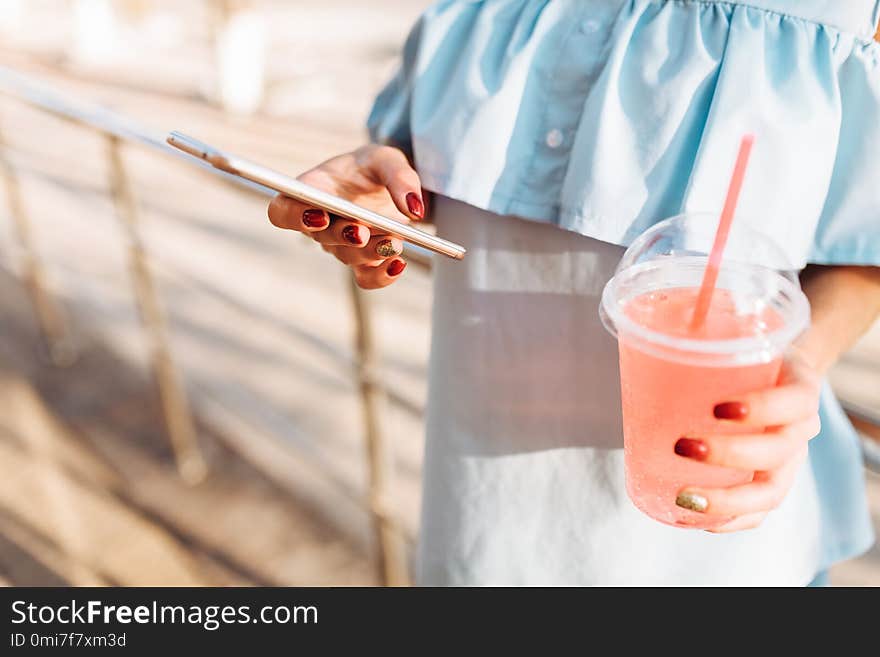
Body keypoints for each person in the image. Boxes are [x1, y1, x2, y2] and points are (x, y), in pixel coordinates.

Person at [267, 0, 880, 585]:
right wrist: (378, 196)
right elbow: (423, 167)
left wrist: (802, 356)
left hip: (723, 550)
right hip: (481, 527)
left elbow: (866, 246)